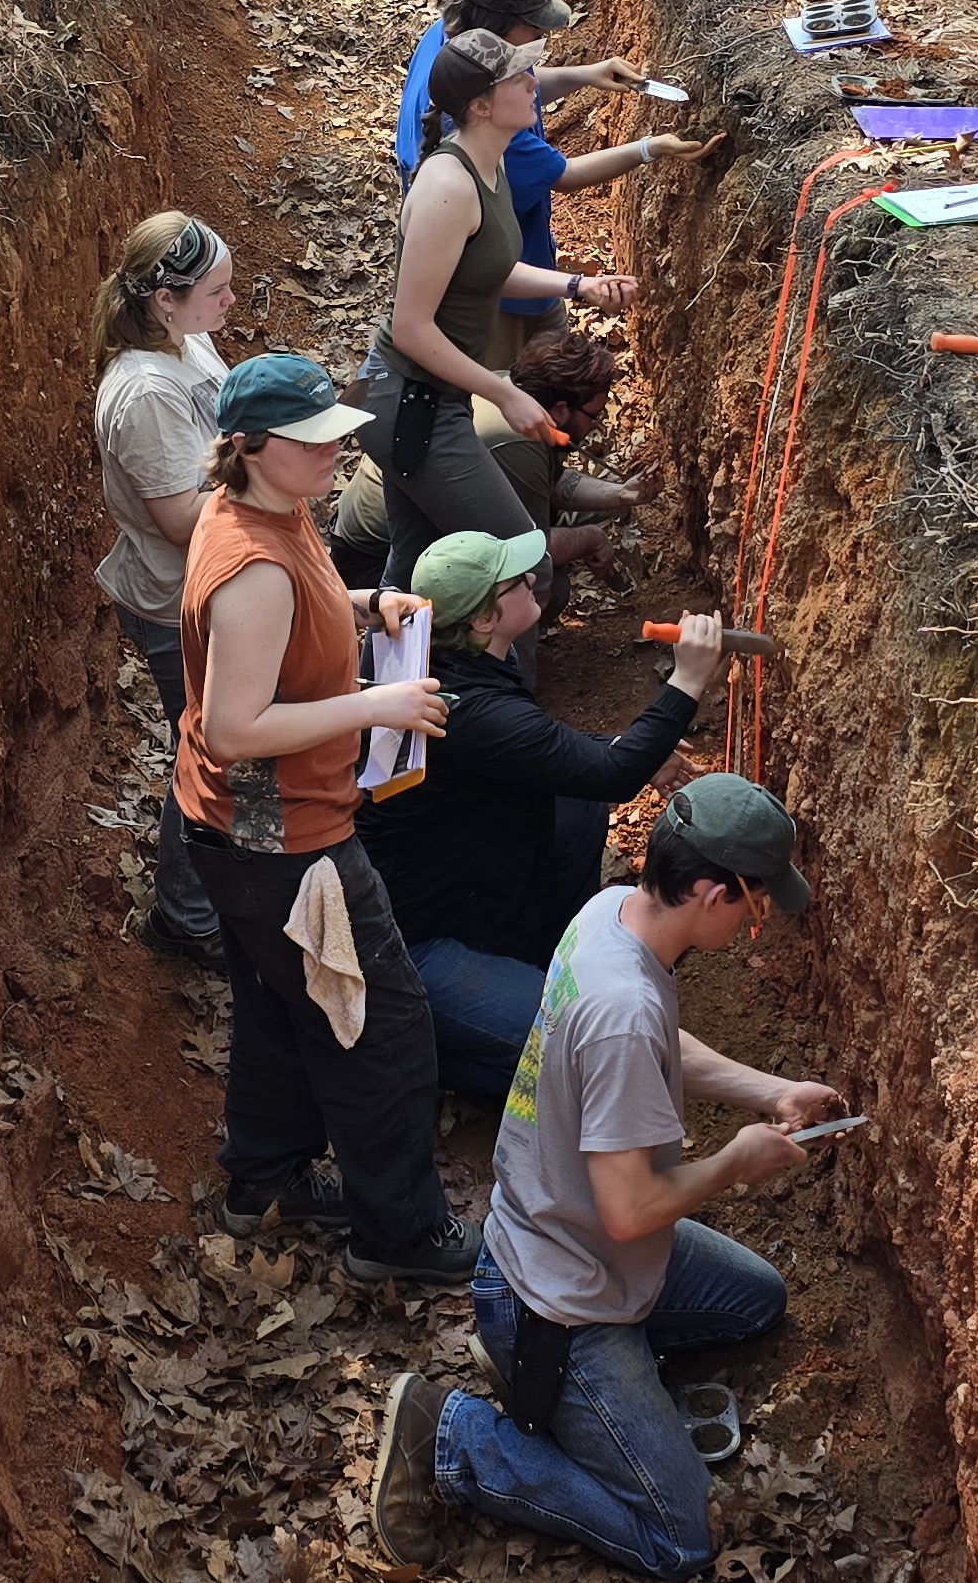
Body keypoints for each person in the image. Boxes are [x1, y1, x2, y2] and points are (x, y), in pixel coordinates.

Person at [368, 776, 845, 1577]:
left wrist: (770, 1090)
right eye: (753, 907)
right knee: (680, 1538)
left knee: (755, 1298)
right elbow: (629, 1212)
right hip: (563, 1296)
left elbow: (660, 1044)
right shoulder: (622, 1006)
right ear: (708, 892)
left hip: (553, 1239)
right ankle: (453, 1436)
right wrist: (735, 1162)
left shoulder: (615, 917)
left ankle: (553, 1387)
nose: (754, 924)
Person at [177, 353, 476, 1286]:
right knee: (379, 1026)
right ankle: (399, 1236)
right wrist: (374, 707)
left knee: (280, 1008)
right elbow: (234, 727)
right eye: (316, 441)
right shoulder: (251, 567)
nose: (340, 448)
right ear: (257, 447)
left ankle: (262, 1182)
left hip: (237, 837)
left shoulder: (263, 508)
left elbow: (286, 614)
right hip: (285, 845)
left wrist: (361, 605)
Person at [359, 531, 723, 1097]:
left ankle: (550, 959)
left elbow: (550, 757)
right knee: (589, 1052)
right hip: (414, 944)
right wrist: (688, 680)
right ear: (483, 620)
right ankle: (422, 1049)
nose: (533, 578)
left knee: (574, 799)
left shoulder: (430, 657)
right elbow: (607, 773)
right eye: (515, 579)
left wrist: (619, 745)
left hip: (455, 884)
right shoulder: (471, 709)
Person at [381, 31, 634, 588]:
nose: (532, 84)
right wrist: (504, 392)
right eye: (519, 78)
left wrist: (577, 286)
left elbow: (484, 269)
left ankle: (410, 669)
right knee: (522, 562)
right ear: (481, 106)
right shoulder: (449, 186)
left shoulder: (489, 166)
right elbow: (410, 327)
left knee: (415, 565)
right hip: (410, 401)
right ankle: (494, 676)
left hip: (433, 397)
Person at [391, 0, 704, 329]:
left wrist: (587, 74)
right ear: (498, 28)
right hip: (500, 303)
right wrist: (650, 148)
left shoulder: (451, 43)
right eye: (534, 26)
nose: (543, 33)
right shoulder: (484, 137)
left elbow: (516, 87)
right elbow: (563, 174)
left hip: (496, 267)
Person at [91, 211, 236, 970]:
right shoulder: (144, 392)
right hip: (176, 601)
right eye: (218, 290)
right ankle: (182, 915)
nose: (231, 302)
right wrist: (269, 473)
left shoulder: (184, 339)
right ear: (164, 299)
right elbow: (183, 518)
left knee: (213, 745)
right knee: (207, 753)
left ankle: (200, 897)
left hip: (209, 588)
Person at [328, 327, 643, 590]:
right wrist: (592, 539)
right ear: (561, 409)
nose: (596, 426)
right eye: (594, 415)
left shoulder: (511, 391)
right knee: (541, 584)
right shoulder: (517, 442)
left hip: (385, 537)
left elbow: (552, 483)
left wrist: (620, 494)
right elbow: (532, 549)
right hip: (372, 562)